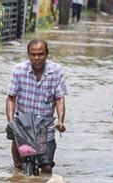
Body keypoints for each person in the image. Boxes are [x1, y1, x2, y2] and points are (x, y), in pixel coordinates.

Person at [6, 39, 68, 175]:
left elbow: (59, 98)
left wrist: (61, 121)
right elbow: (11, 98)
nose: (37, 58)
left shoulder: (56, 71)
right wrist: (11, 121)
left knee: (46, 168)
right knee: (19, 167)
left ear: (47, 54)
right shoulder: (18, 70)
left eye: (40, 54)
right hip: (23, 123)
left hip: (45, 125)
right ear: (28, 55)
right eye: (33, 55)